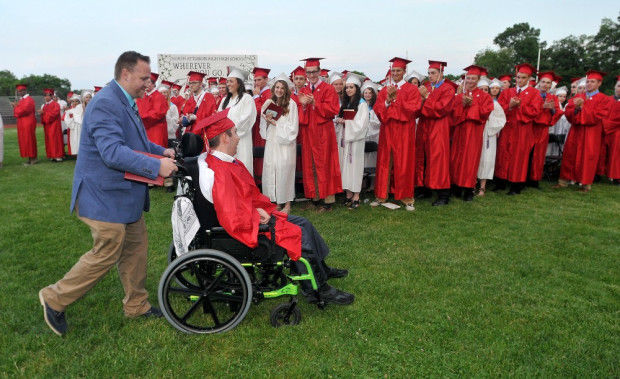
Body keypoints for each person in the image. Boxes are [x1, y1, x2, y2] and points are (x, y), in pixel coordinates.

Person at [38, 51, 178, 336]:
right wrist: (156, 166)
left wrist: (160, 151)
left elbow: (134, 141)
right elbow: (113, 153)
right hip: (103, 195)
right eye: (143, 78)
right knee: (108, 250)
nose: (147, 84)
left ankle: (136, 305)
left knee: (136, 247)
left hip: (124, 195)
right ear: (125, 74)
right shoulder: (105, 104)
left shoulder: (124, 99)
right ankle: (54, 298)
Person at [192, 109, 354, 305]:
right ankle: (317, 288)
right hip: (248, 226)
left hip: (255, 214)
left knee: (304, 222)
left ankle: (321, 269)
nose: (238, 138)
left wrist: (265, 209)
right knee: (298, 233)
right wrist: (257, 215)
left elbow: (246, 195)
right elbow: (231, 214)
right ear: (225, 138)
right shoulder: (220, 171)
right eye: (235, 133)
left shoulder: (226, 163)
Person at [371, 57, 422, 211]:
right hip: (387, 131)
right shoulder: (385, 89)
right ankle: (381, 196)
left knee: (404, 163)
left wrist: (396, 100)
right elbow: (378, 110)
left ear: (404, 72)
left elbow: (415, 109)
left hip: (404, 131)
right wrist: (387, 100)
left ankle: (407, 198)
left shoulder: (411, 89)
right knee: (385, 162)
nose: (395, 73)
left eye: (398, 70)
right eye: (393, 71)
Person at [297, 57, 342, 212]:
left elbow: (333, 110)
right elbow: (299, 115)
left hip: (324, 133)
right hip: (309, 132)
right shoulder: (303, 90)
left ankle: (328, 201)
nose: (312, 75)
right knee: (310, 165)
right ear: (306, 73)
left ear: (320, 71)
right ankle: (314, 197)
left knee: (325, 164)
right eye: (309, 72)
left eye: (314, 71)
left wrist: (315, 103)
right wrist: (303, 106)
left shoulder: (328, 89)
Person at [554, 70, 610, 192]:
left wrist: (582, 107)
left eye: (592, 82)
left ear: (599, 83)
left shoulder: (603, 99)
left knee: (588, 157)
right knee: (570, 155)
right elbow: (568, 113)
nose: (589, 84)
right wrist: (576, 110)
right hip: (576, 131)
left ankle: (585, 183)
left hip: (591, 133)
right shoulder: (578, 96)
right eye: (588, 81)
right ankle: (563, 181)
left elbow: (596, 117)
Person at [494, 63, 542, 195]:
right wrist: (509, 106)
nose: (520, 80)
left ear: (529, 79)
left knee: (519, 157)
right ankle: (501, 182)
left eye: (523, 78)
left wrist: (520, 106)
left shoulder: (534, 93)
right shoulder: (508, 92)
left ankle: (516, 185)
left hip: (523, 130)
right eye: (518, 77)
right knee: (503, 153)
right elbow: (498, 110)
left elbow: (535, 111)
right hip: (508, 128)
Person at [450, 66, 494, 201]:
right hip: (460, 131)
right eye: (468, 78)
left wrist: (472, 104)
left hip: (474, 132)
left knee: (471, 160)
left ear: (478, 80)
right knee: (456, 158)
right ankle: (456, 187)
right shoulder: (459, 96)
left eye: (473, 78)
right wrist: (462, 104)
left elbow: (485, 113)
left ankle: (468, 190)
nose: (470, 81)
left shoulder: (485, 96)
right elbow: (453, 115)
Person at [416, 60, 456, 206]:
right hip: (424, 127)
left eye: (433, 73)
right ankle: (426, 188)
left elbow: (440, 109)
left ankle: (444, 194)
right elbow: (420, 108)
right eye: (429, 73)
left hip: (439, 128)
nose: (430, 76)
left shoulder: (448, 89)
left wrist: (426, 97)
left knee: (439, 160)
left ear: (441, 73)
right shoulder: (427, 87)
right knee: (424, 158)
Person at [259, 74, 299, 214]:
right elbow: (263, 124)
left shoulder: (291, 104)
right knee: (272, 168)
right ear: (273, 88)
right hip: (272, 139)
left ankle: (287, 203)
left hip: (285, 142)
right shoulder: (269, 102)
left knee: (284, 169)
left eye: (282, 88)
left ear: (286, 89)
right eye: (277, 87)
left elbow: (293, 126)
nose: (279, 90)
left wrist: (276, 122)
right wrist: (266, 119)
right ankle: (275, 201)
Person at [215, 66, 257, 176]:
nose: (228, 84)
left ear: (239, 83)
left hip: (241, 139)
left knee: (242, 165)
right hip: (226, 140)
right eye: (227, 81)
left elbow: (247, 118)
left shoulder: (247, 98)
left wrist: (230, 129)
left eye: (231, 81)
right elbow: (220, 117)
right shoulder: (225, 100)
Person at [335, 73, 369, 209]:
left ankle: (356, 195)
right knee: (345, 166)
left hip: (356, 142)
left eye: (351, 87)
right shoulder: (345, 103)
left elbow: (361, 125)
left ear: (357, 88)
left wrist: (346, 123)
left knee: (354, 167)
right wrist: (339, 121)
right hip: (344, 140)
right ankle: (348, 194)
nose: (348, 90)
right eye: (347, 87)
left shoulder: (362, 105)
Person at [528, 71, 563, 188]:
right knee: (528, 153)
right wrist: (542, 107)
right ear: (539, 83)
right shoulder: (533, 94)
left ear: (550, 85)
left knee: (539, 155)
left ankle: (535, 180)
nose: (545, 85)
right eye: (543, 82)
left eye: (548, 83)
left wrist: (552, 109)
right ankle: (524, 178)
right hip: (531, 127)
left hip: (543, 129)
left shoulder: (553, 97)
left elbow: (558, 112)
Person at [477, 79, 506, 196]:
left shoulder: (495, 104)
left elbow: (502, 120)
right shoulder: (474, 102)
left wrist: (490, 120)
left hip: (488, 134)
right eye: (481, 89)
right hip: (475, 134)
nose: (484, 92)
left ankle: (482, 187)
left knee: (486, 159)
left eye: (485, 89)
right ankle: (471, 184)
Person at [136, 72, 168, 148]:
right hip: (144, 129)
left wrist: (141, 118)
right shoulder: (142, 96)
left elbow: (157, 113)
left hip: (156, 130)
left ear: (153, 84)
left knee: (156, 153)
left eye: (148, 82)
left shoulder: (159, 96)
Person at [252, 67, 271, 181]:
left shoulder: (268, 93)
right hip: (257, 128)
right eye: (255, 80)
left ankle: (262, 179)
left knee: (263, 153)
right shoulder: (261, 93)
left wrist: (256, 97)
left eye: (259, 80)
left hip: (264, 129)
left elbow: (263, 113)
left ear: (266, 80)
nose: (256, 83)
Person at [11, 84, 38, 166]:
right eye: (19, 91)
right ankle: (29, 158)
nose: (20, 92)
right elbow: (20, 110)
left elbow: (24, 110)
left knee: (29, 140)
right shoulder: (22, 100)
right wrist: (15, 106)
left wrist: (15, 107)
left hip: (28, 122)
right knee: (25, 140)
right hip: (23, 122)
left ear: (25, 91)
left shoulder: (28, 100)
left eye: (21, 91)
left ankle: (33, 158)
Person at [602, 77, 620, 184]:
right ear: (614, 87)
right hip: (604, 130)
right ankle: (599, 173)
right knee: (601, 152)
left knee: (616, 154)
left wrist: (608, 125)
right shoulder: (607, 100)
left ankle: (616, 176)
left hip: (617, 131)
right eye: (618, 86)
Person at [39, 88, 65, 162]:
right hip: (47, 126)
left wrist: (43, 113)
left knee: (55, 140)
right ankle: (51, 155)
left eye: (48, 95)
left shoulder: (56, 104)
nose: (46, 97)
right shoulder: (44, 105)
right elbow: (45, 116)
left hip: (54, 125)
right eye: (45, 95)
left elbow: (54, 114)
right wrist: (42, 114)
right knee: (49, 140)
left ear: (52, 96)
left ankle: (58, 155)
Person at [361, 81, 380, 174]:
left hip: (374, 135)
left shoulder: (376, 107)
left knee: (373, 156)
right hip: (363, 135)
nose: (367, 95)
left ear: (373, 94)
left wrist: (368, 120)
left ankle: (372, 181)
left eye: (370, 93)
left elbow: (377, 122)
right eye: (366, 93)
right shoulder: (360, 106)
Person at [547, 86, 570, 157]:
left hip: (560, 129)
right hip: (554, 128)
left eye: (564, 96)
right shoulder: (555, 104)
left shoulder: (562, 106)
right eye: (560, 96)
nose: (563, 98)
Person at [157, 81, 180, 148]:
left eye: (165, 92)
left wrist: (166, 117)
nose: (163, 94)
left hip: (170, 136)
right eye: (161, 93)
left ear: (168, 93)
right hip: (159, 136)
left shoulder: (173, 106)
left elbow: (176, 121)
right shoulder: (156, 106)